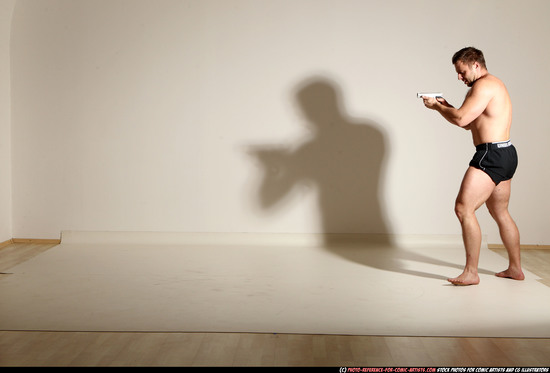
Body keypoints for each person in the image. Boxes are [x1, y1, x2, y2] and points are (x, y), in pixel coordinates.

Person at [423, 47, 524, 285]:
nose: (460, 77)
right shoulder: (492, 85)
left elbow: (460, 119)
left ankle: (471, 272)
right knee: (500, 212)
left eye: (462, 71)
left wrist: (437, 107)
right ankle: (515, 269)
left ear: (475, 65)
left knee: (463, 208)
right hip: (506, 152)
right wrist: (445, 104)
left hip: (490, 155)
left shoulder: (483, 86)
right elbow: (468, 122)